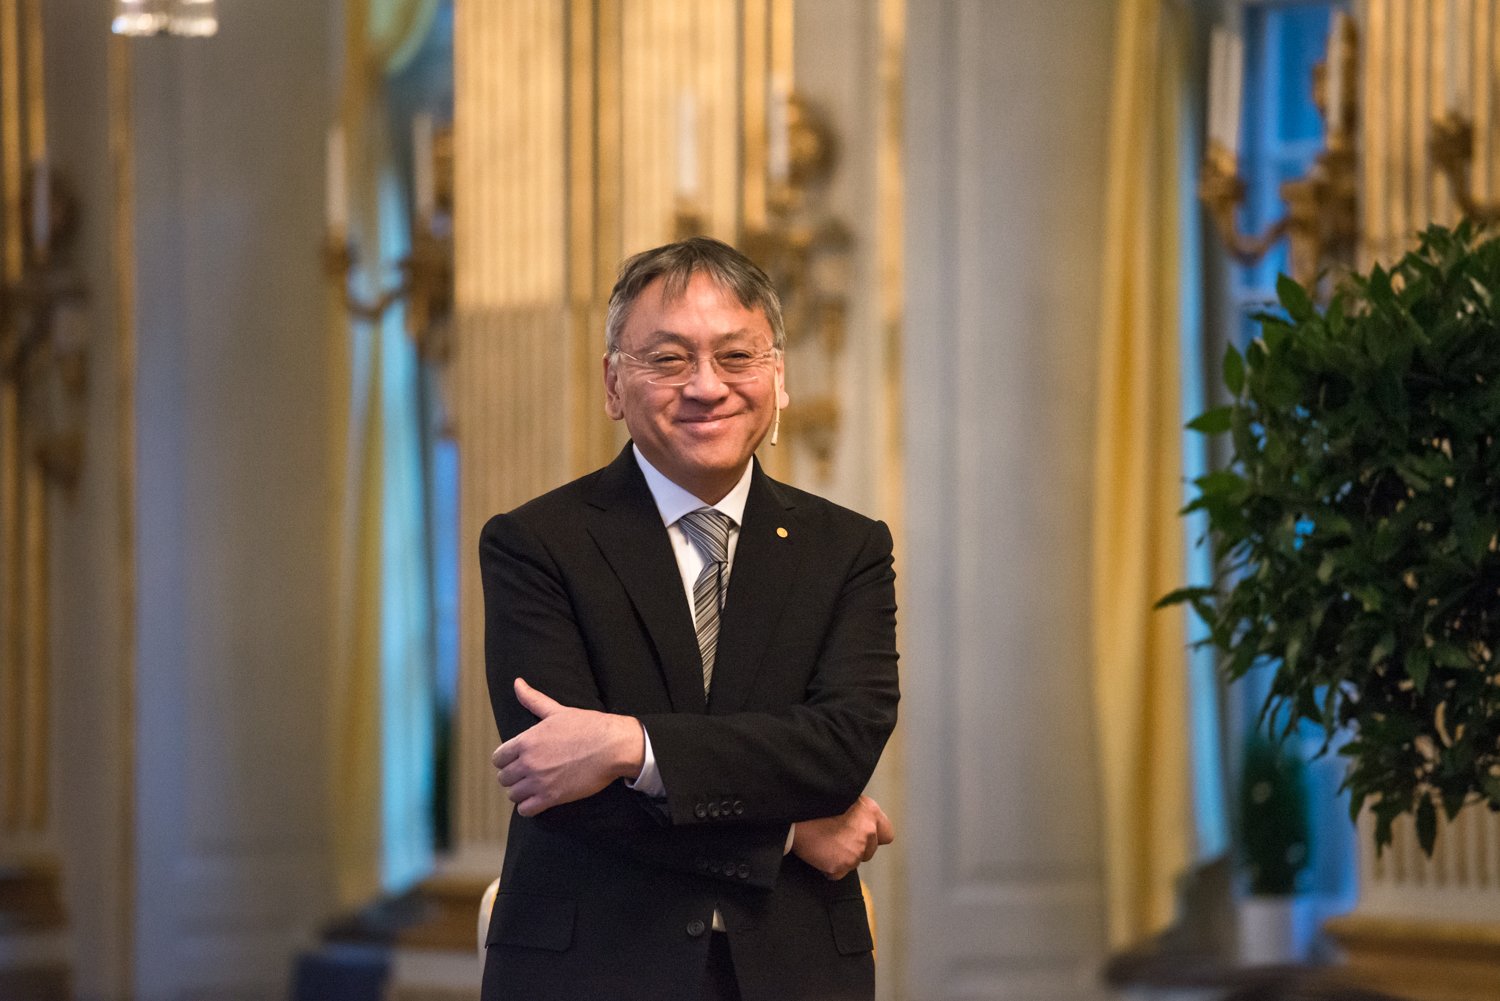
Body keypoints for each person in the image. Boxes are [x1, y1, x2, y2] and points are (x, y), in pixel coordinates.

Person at [480, 237, 899, 1001]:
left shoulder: (848, 548)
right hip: (591, 966)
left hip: (795, 965)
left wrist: (628, 744)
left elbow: (838, 750)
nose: (707, 386)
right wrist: (784, 832)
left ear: (779, 378)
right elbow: (561, 786)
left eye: (736, 356)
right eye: (669, 359)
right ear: (613, 382)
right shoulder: (535, 543)